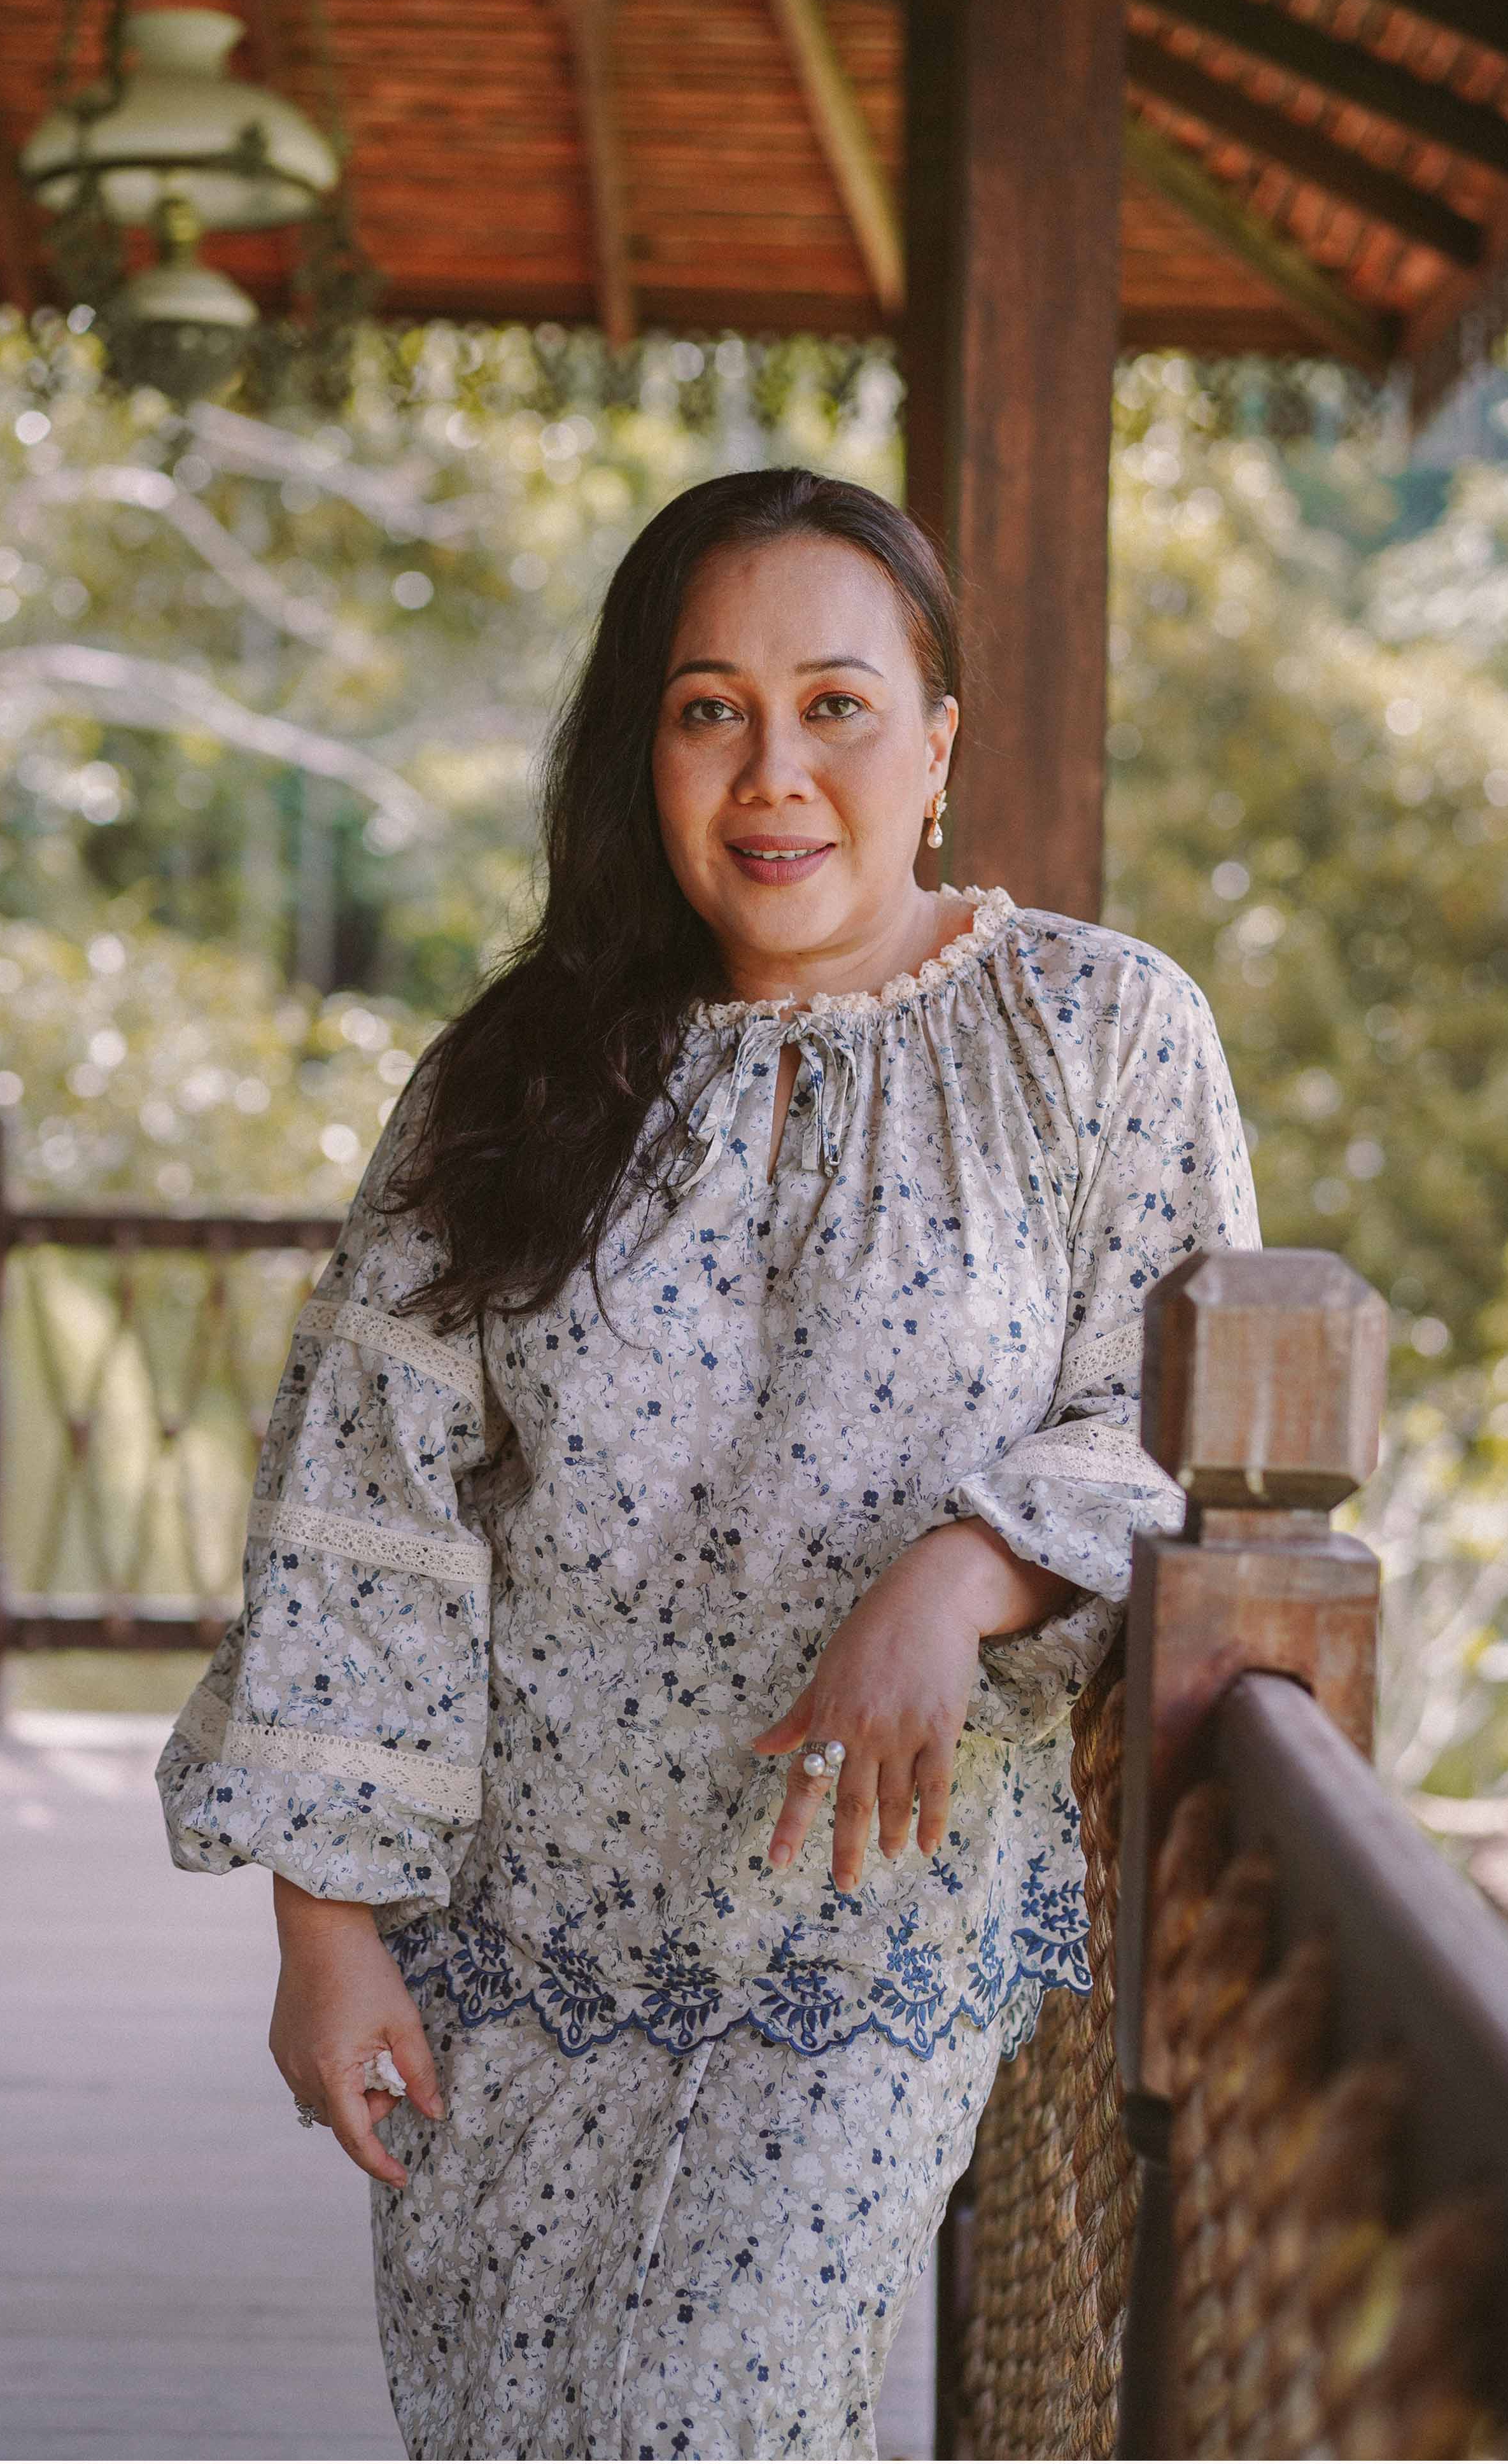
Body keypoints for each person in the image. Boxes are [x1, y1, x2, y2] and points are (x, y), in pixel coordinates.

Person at [158, 467, 1258, 2461]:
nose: (773, 774)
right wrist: (324, 1934)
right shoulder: (509, 1079)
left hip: (868, 1939)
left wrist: (964, 1570)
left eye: (836, 705)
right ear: (641, 755)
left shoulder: (1099, 1034)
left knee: (705, 2421)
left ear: (937, 745)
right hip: (515, 1954)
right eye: (707, 711)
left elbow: (1179, 1424)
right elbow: (367, 1506)